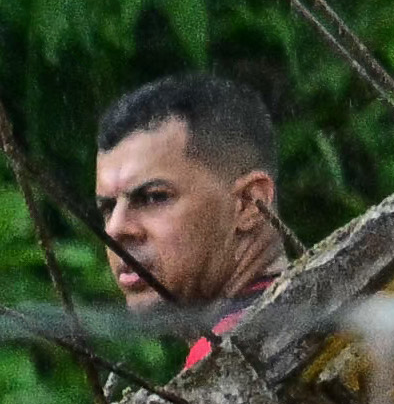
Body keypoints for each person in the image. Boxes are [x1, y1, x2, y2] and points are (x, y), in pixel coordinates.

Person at [96, 70, 290, 344]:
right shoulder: (285, 325)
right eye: (107, 208)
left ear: (250, 204)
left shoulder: (245, 346)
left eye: (154, 197)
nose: (114, 230)